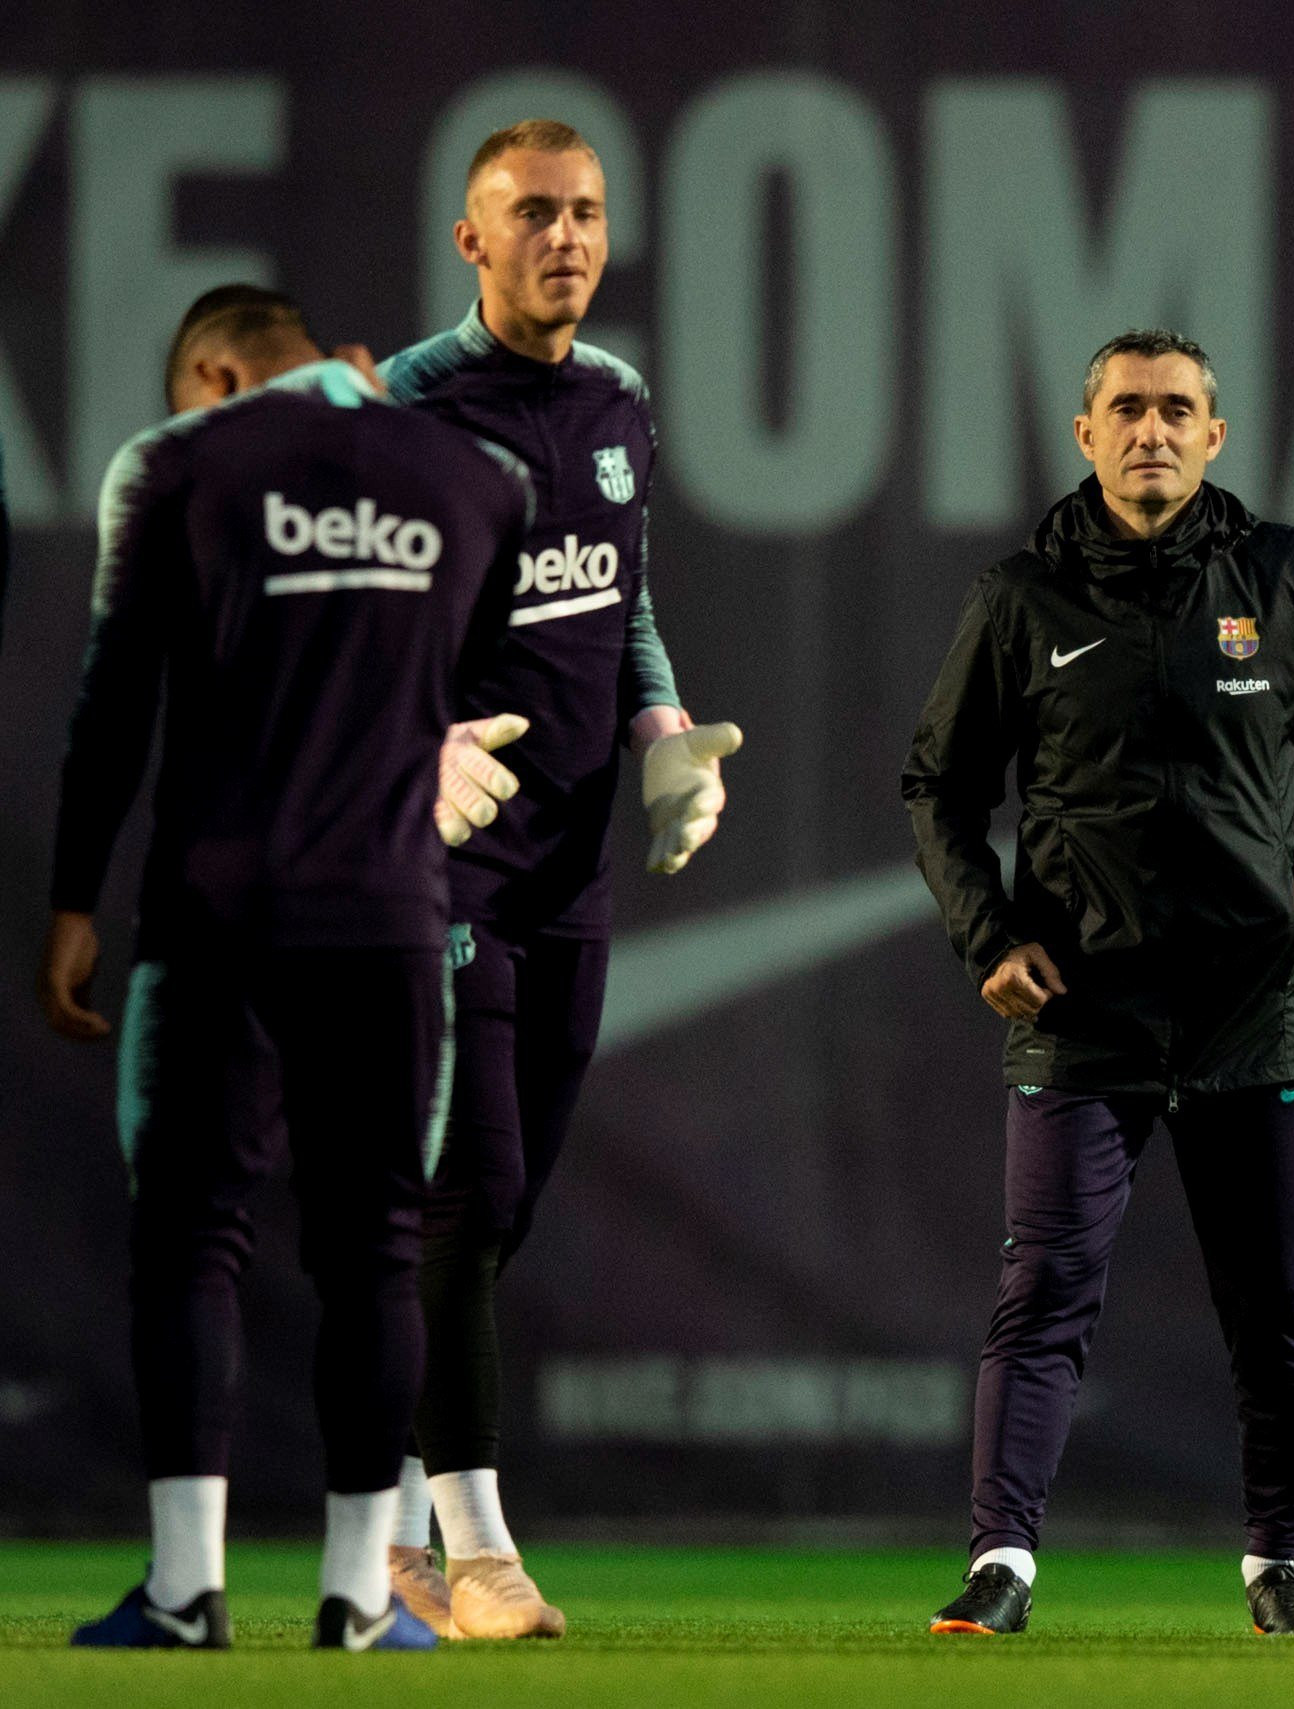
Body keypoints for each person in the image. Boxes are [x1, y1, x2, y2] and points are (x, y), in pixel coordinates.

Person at [902, 328, 1294, 1638]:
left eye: (1177, 409)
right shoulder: (1021, 599)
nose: (1152, 429)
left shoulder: (1289, 578)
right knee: (1042, 1299)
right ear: (1084, 435)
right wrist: (987, 937)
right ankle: (1003, 1565)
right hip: (1085, 1015)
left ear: (1217, 435)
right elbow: (939, 787)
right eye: (1126, 409)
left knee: (1275, 1311)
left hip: (1257, 1016)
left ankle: (1278, 1567)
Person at [44, 286, 532, 1652]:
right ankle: (361, 1592)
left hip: (215, 918)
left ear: (210, 373)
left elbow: (113, 696)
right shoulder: (476, 481)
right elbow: (458, 685)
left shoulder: (177, 465)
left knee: (190, 1238)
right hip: (385, 919)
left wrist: (72, 899)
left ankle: (188, 1589)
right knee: (378, 1249)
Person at [377, 118, 741, 1641]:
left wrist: (660, 722)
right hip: (438, 869)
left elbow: (625, 586)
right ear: (472, 239)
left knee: (500, 1213)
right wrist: (411, 741)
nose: (566, 237)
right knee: (479, 1193)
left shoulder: (619, 400)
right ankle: (479, 1553)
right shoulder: (404, 404)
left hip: (570, 874)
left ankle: (388, 1515)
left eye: (587, 212)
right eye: (533, 213)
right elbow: (336, 617)